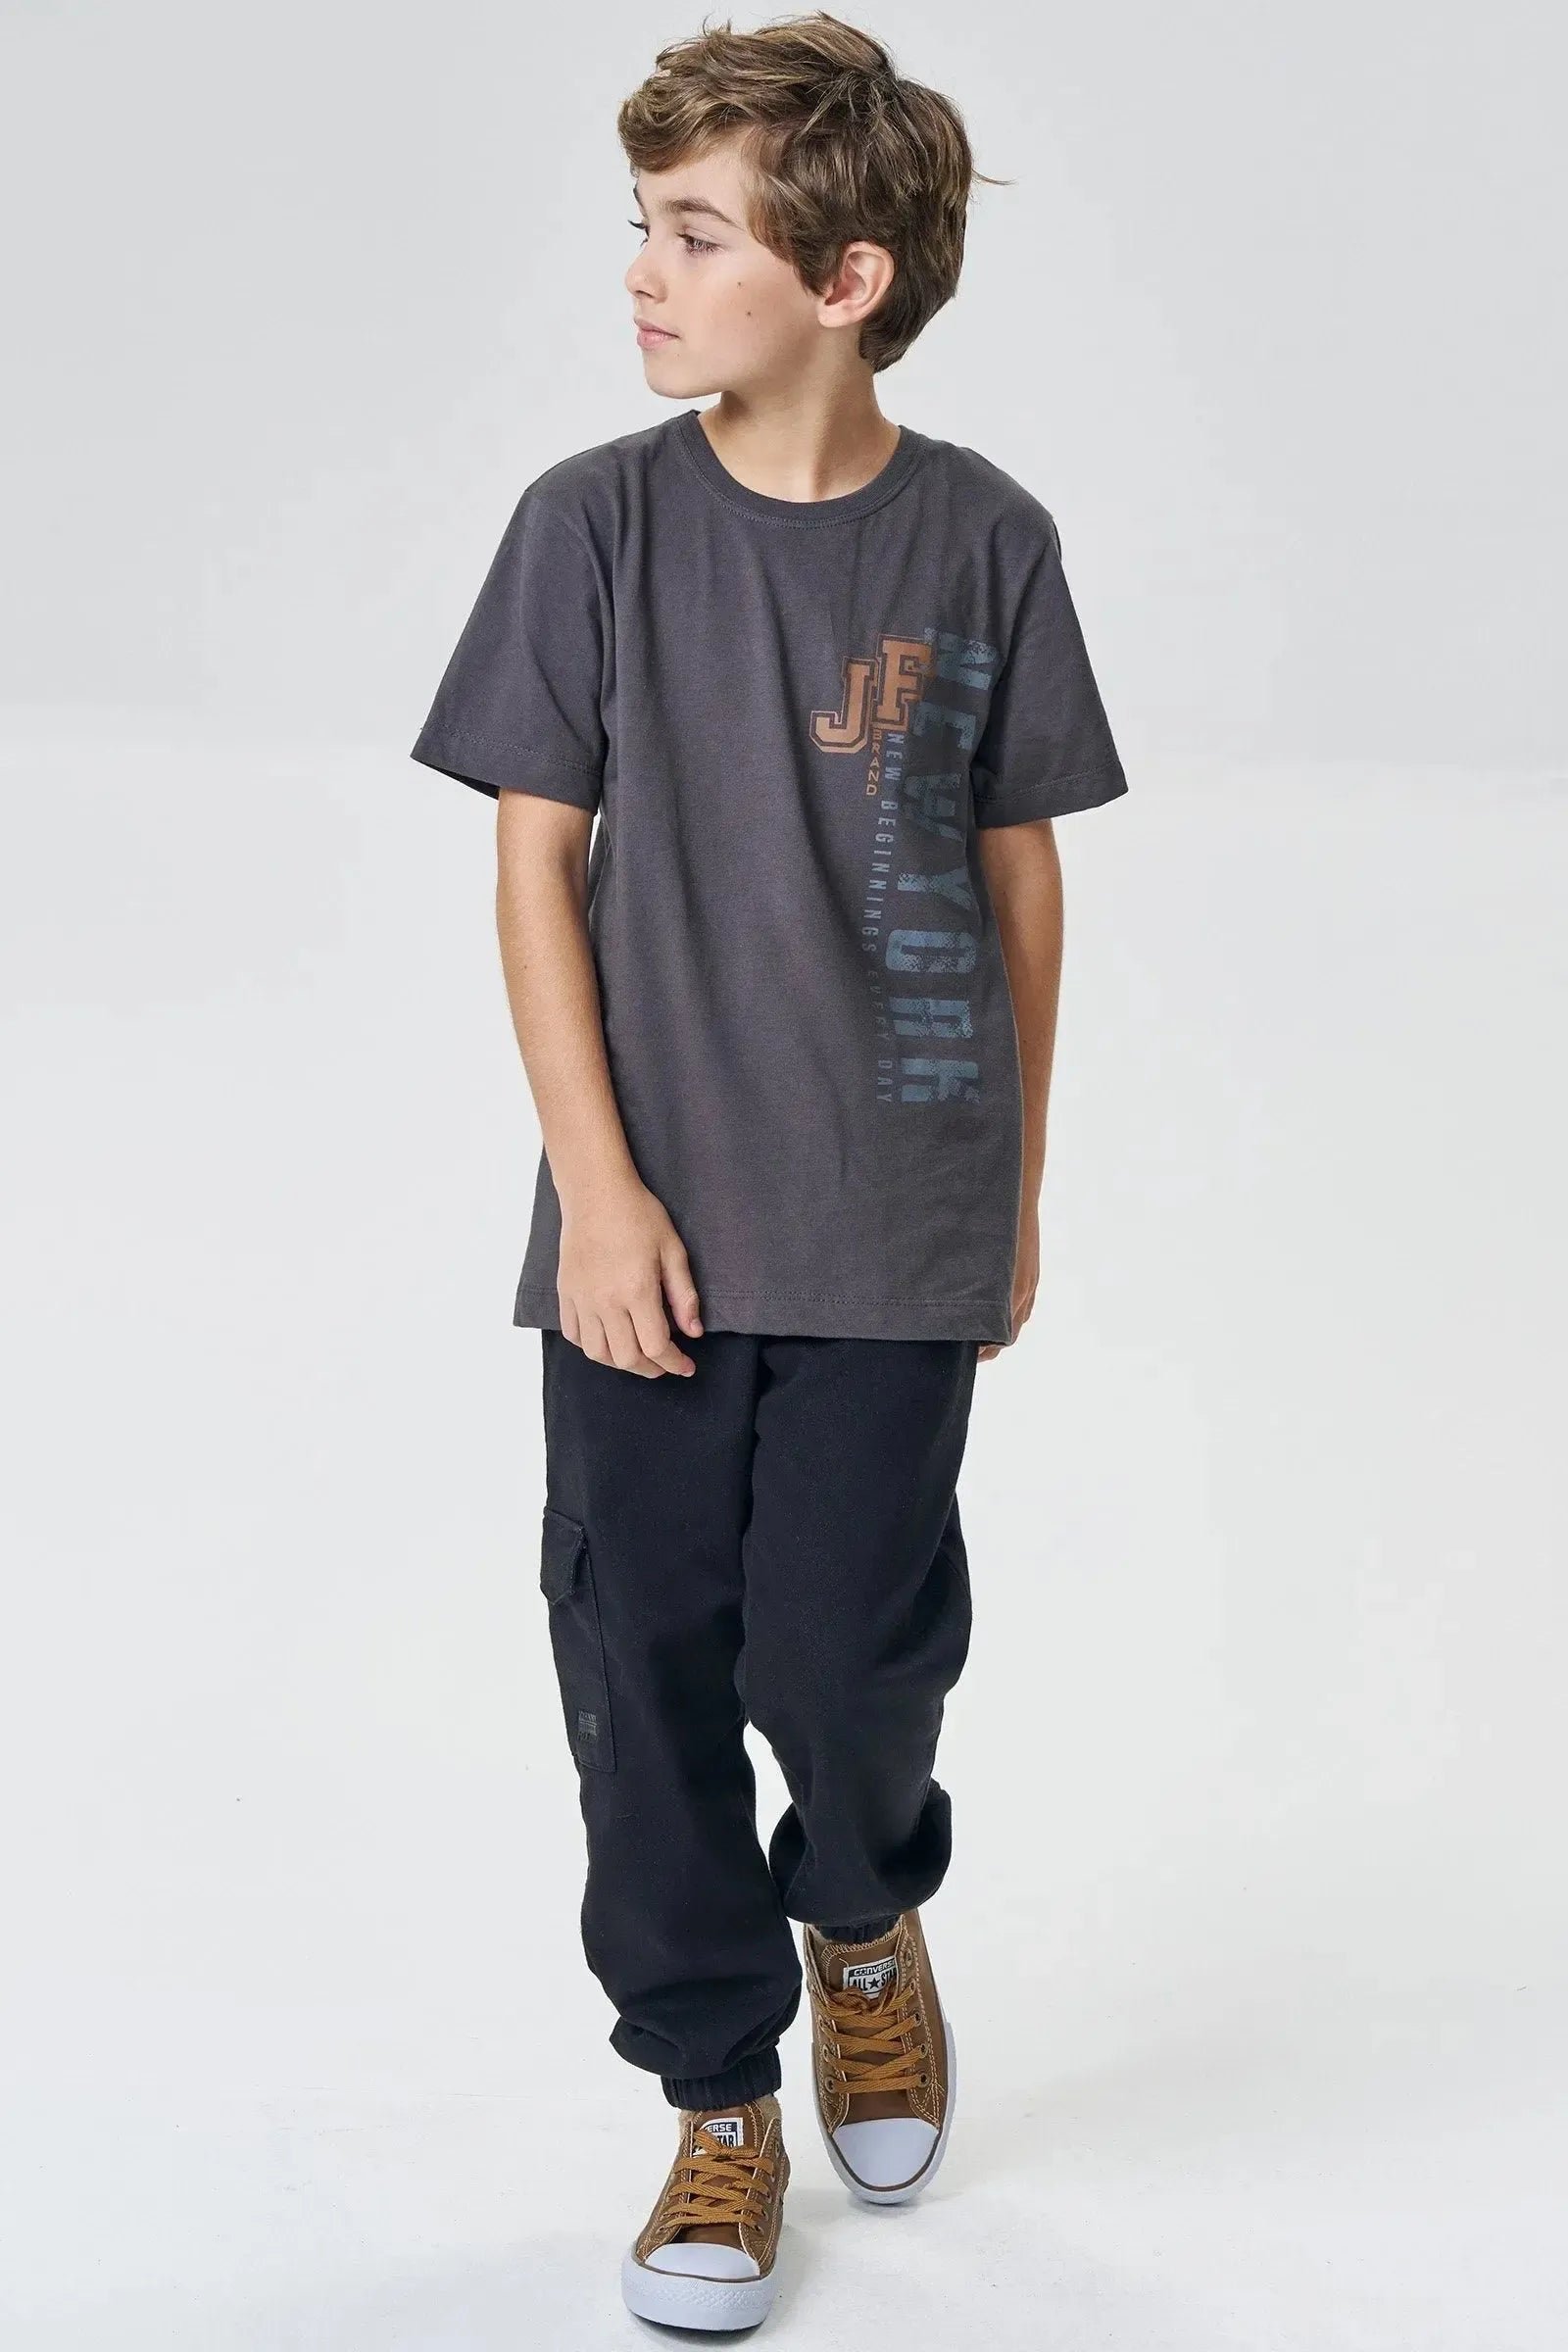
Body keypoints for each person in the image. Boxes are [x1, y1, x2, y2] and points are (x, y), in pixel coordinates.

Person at [410, 13, 1128, 2331]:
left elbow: (1017, 878)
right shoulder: (591, 527)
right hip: (646, 1223)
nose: (640, 269)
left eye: (691, 233)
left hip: (899, 1213)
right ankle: (717, 2100)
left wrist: (1011, 1188)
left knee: (842, 1652)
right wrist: (595, 1192)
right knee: (639, 1659)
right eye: (640, 225)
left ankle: (861, 1909)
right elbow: (534, 868)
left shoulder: (985, 539)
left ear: (839, 279)